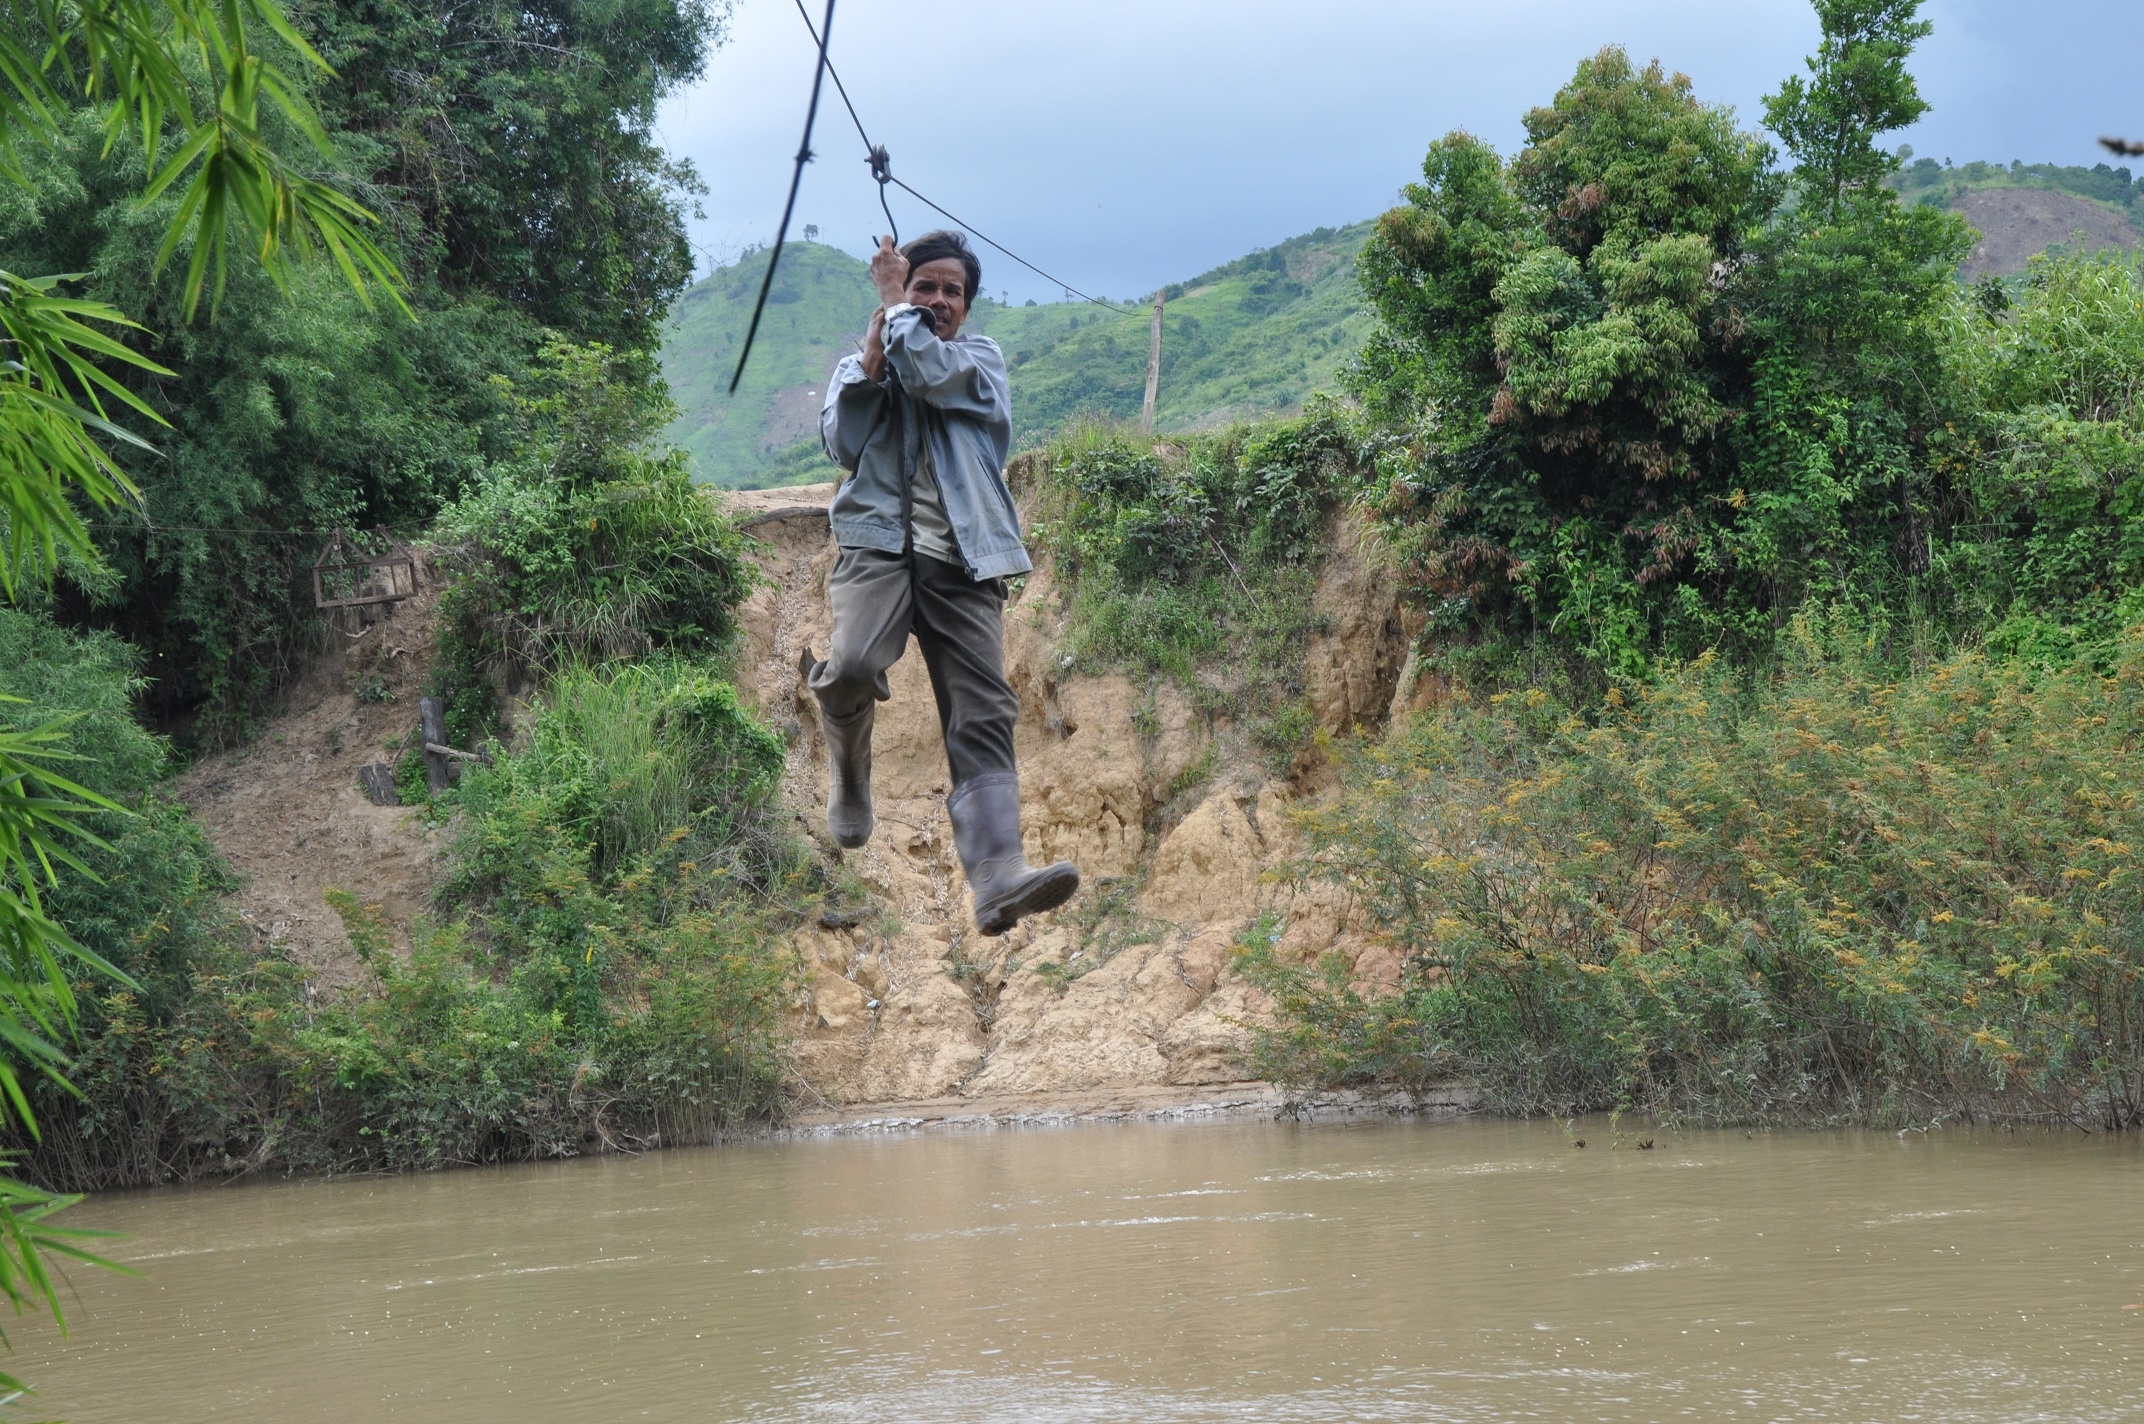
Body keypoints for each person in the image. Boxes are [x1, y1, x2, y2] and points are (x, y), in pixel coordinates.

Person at [805, 230, 1079, 936]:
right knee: (854, 665)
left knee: (983, 711)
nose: (936, 301)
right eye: (923, 287)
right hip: (876, 547)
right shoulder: (856, 364)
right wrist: (872, 358)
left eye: (950, 292)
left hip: (966, 558)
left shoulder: (979, 362)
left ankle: (996, 879)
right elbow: (843, 442)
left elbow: (929, 373)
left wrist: (897, 311)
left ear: (965, 306)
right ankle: (850, 775)